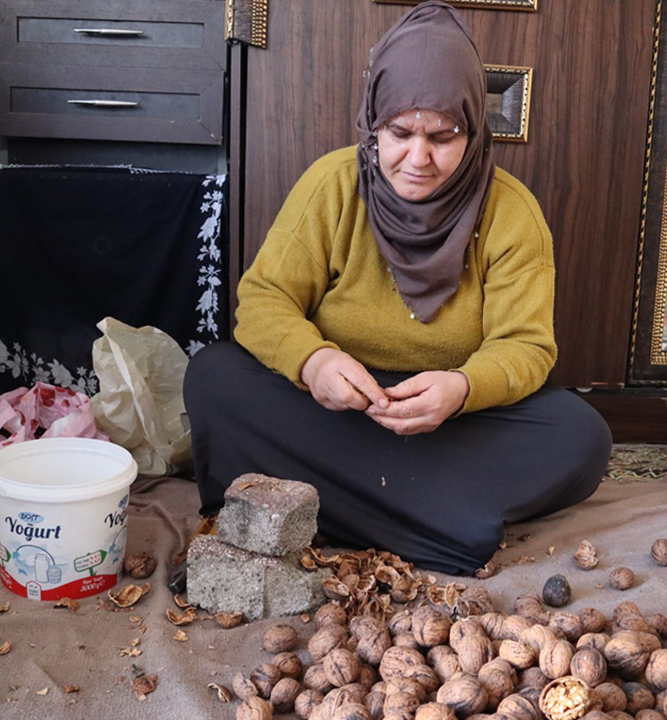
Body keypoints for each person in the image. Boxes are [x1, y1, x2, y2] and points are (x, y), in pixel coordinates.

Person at [184, 1, 611, 575]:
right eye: (400, 132)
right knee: (214, 375)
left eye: (444, 135)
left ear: (474, 127)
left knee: (580, 436)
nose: (419, 159)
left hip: (448, 426)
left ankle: (324, 508)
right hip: (333, 413)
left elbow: (527, 348)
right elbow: (264, 302)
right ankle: (438, 525)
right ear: (373, 122)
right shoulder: (332, 184)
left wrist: (461, 388)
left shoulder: (511, 211)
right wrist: (313, 364)